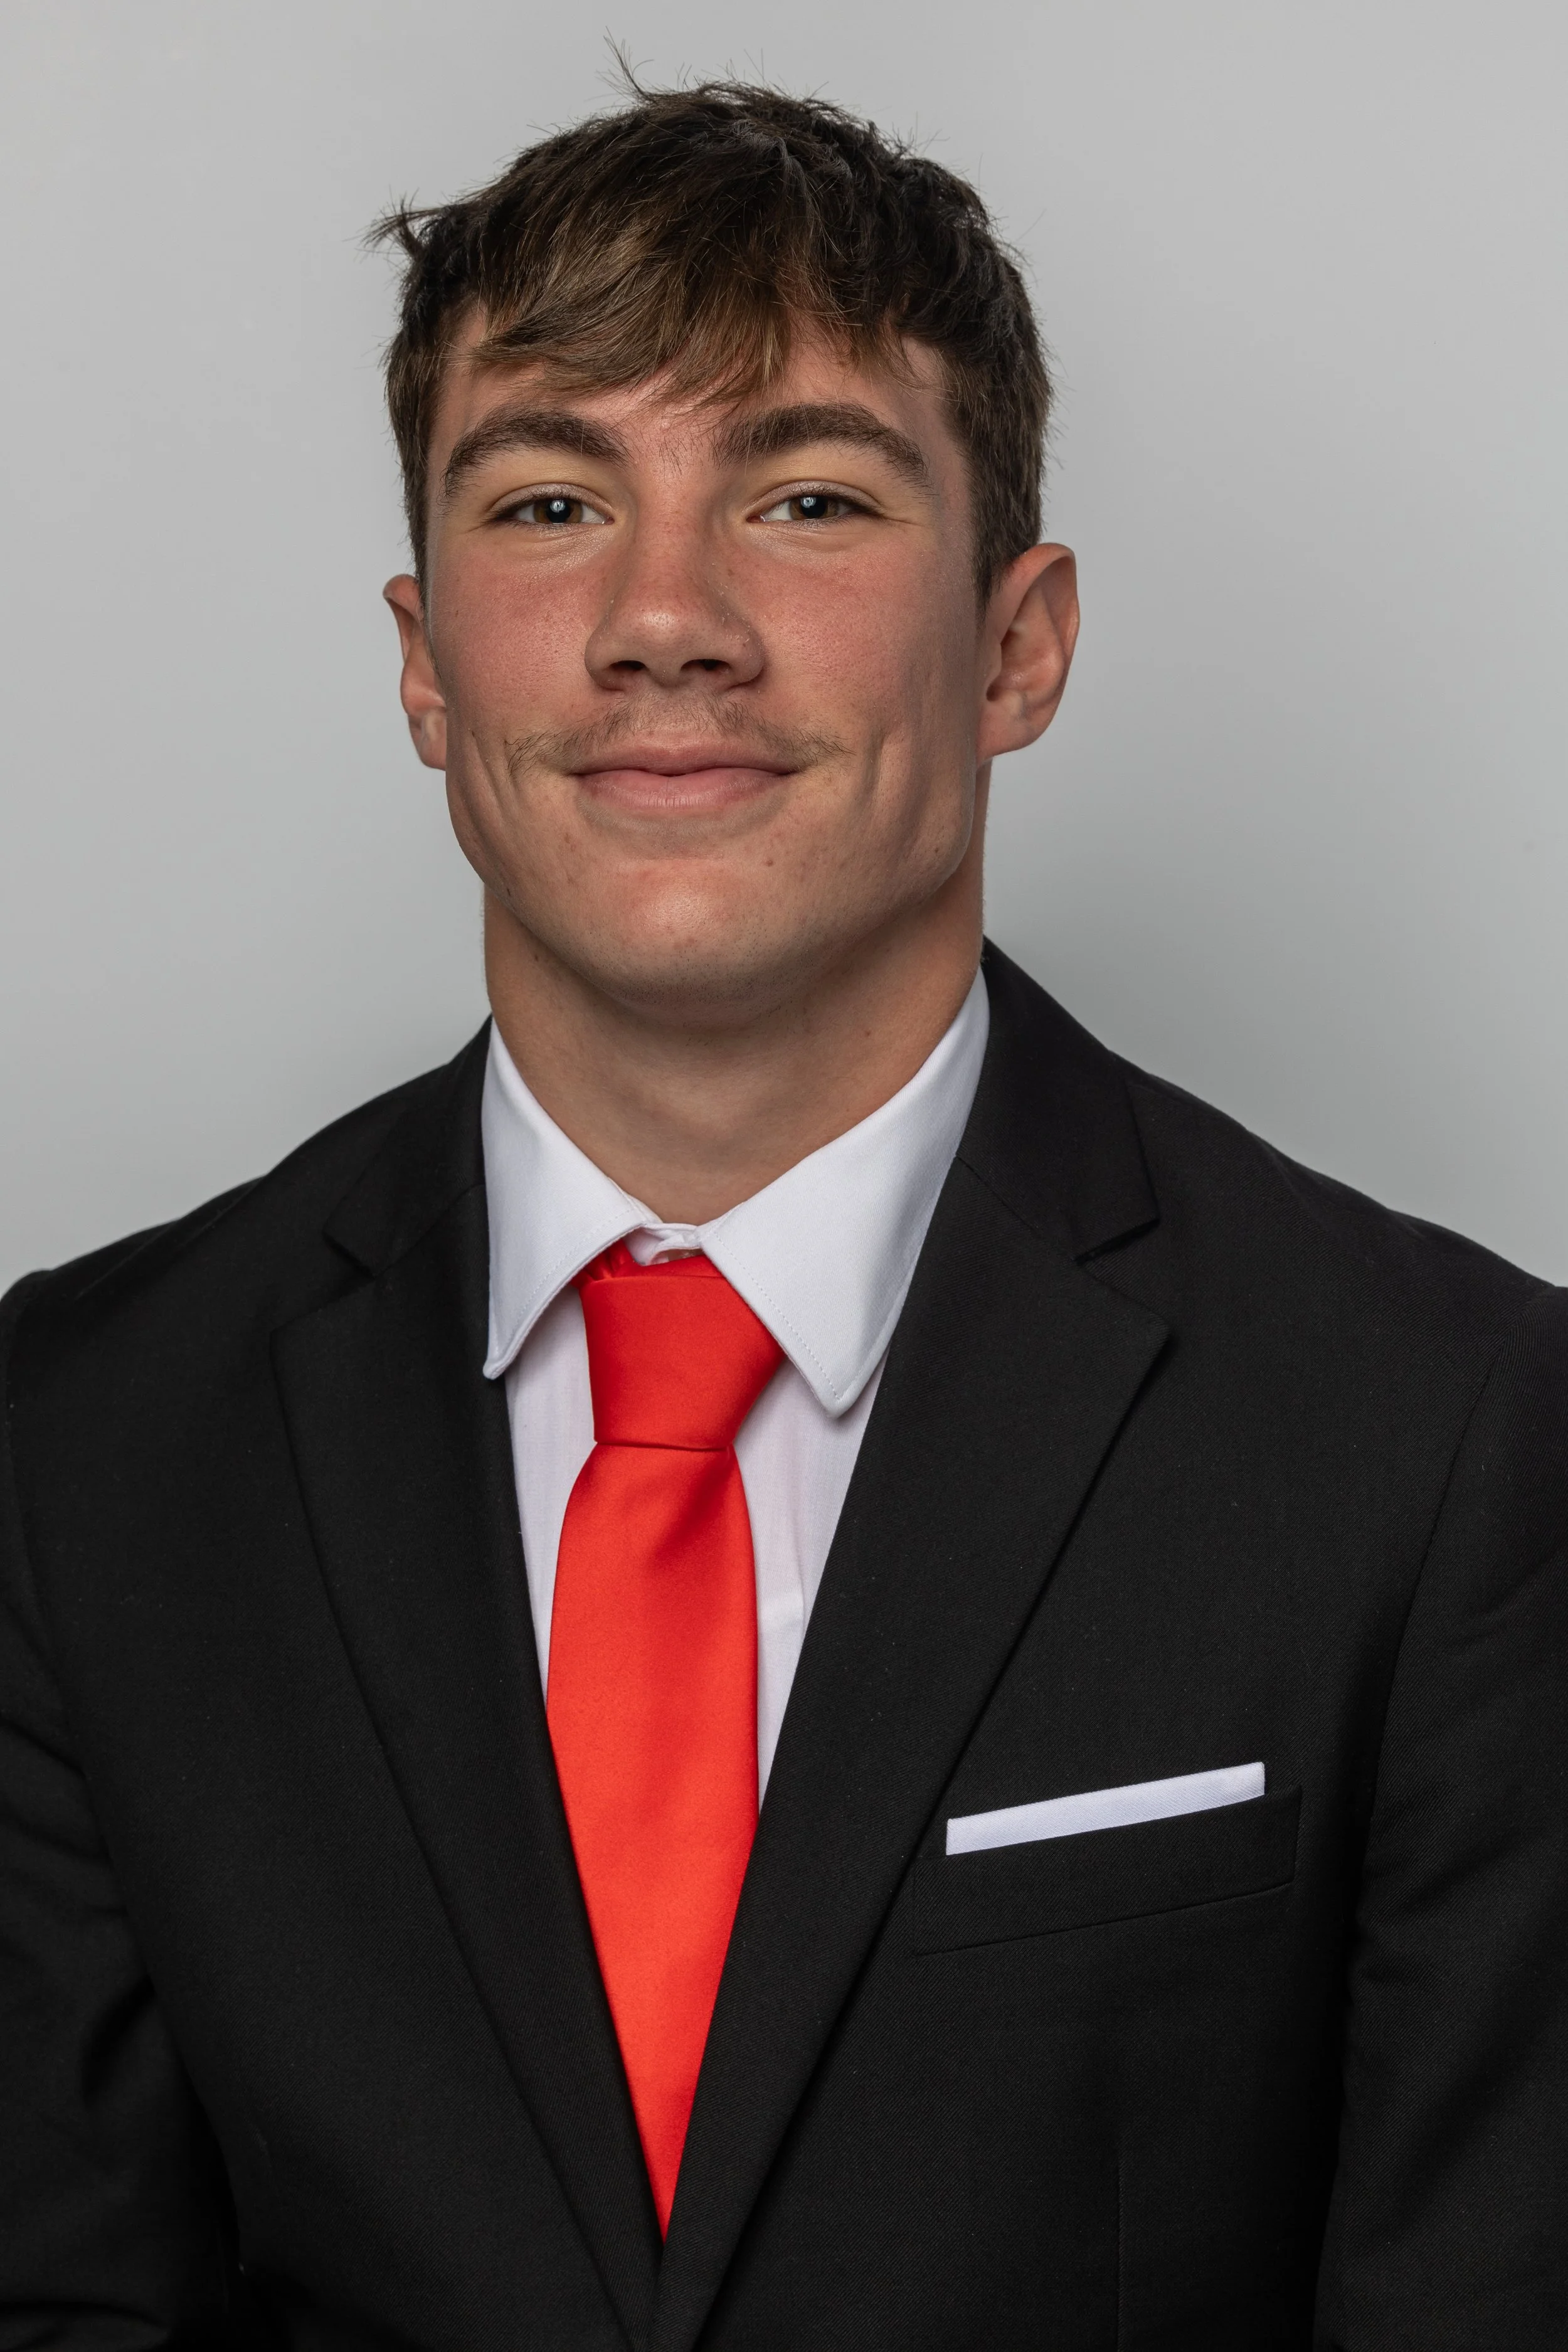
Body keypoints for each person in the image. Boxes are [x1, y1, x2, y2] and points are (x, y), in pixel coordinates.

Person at [1, 74, 1564, 2350]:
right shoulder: (78, 1442)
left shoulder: (1443, 1432)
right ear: (429, 659)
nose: (664, 620)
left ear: (1016, 643)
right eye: (549, 500)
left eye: (806, 494)